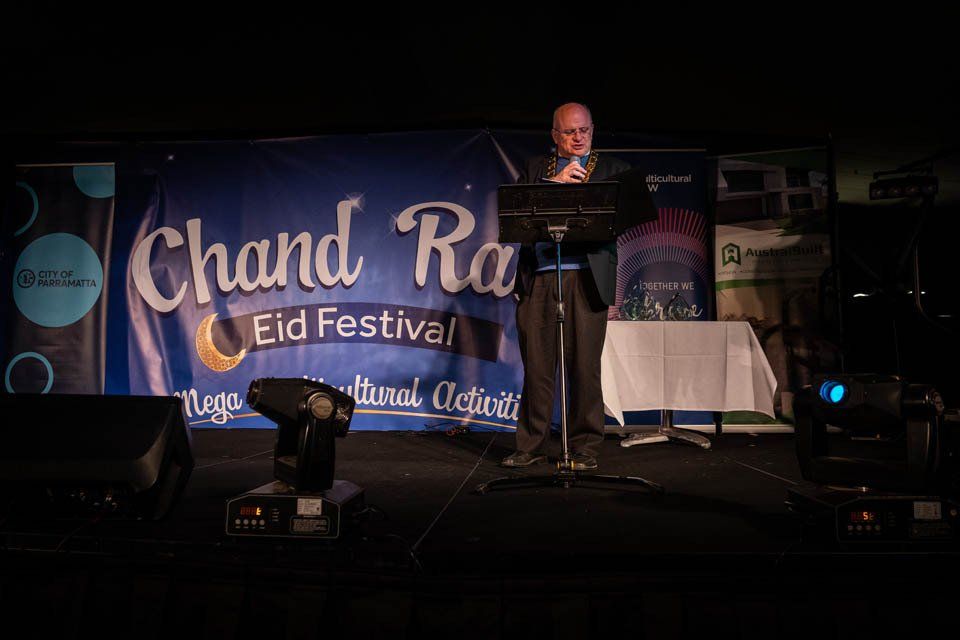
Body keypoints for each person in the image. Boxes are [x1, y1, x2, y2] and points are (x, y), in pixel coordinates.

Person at [502, 102, 630, 471]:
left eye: (584, 130)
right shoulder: (534, 169)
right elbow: (514, 214)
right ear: (555, 135)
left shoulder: (612, 170)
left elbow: (623, 219)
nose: (578, 138)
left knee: (584, 367)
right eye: (570, 132)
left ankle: (584, 446)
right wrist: (550, 187)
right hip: (541, 277)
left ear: (592, 128)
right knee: (538, 366)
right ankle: (532, 445)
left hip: (587, 278)